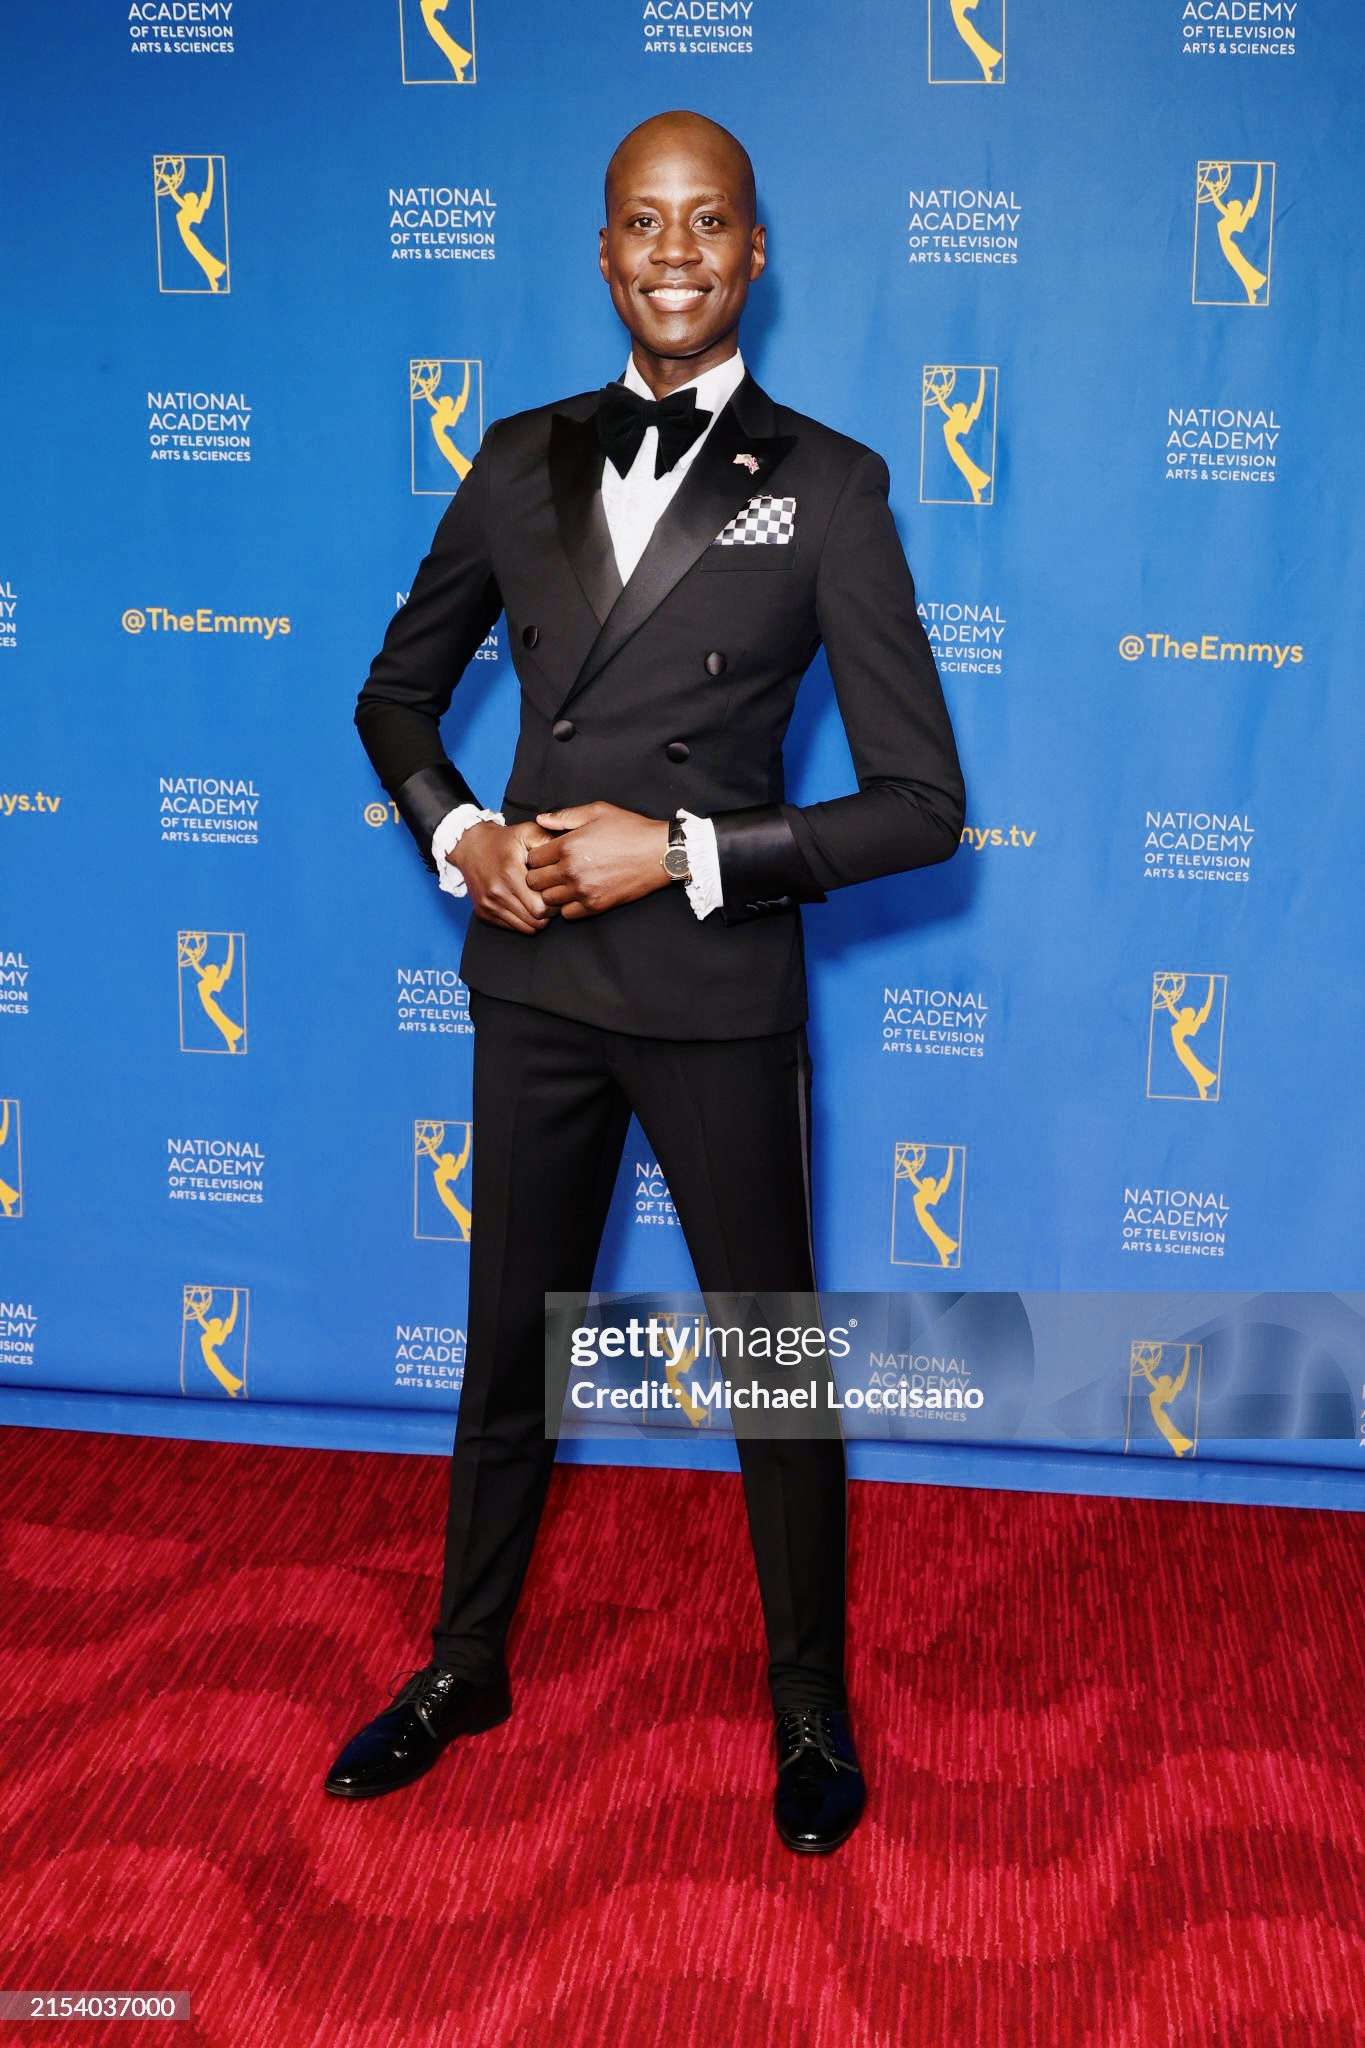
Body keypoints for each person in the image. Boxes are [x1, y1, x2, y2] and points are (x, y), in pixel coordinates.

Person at [328, 108, 966, 1855]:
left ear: (755, 252)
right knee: (507, 1350)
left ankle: (809, 1703)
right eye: (641, 221)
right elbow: (395, 699)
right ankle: (463, 1666)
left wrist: (678, 852)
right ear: (602, 253)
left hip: (710, 991)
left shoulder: (830, 485)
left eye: (706, 221)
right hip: (534, 980)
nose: (673, 251)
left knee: (767, 1359)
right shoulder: (517, 455)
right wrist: (465, 834)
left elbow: (921, 807)